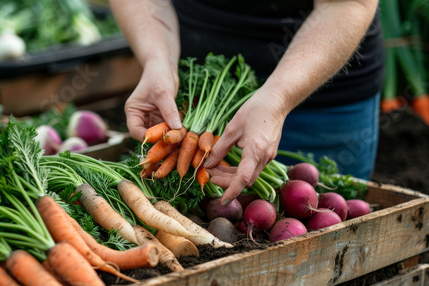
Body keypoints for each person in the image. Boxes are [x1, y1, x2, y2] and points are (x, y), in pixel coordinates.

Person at [109, 0, 384, 206]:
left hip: (320, 97)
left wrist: (278, 98)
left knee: (323, 219)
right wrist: (158, 60)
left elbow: (350, 3)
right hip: (197, 88)